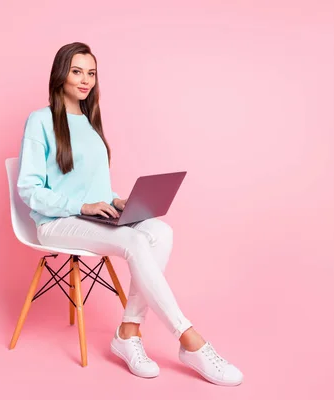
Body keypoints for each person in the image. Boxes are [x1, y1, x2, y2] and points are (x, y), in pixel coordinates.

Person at [17, 42, 243, 386]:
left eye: (91, 73)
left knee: (162, 232)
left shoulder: (90, 122)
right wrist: (81, 207)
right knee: (135, 241)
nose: (85, 80)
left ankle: (128, 331)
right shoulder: (40, 121)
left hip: (89, 217)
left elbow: (91, 186)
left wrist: (117, 201)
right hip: (56, 223)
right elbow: (30, 190)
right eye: (77, 71)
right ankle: (188, 340)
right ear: (60, 73)